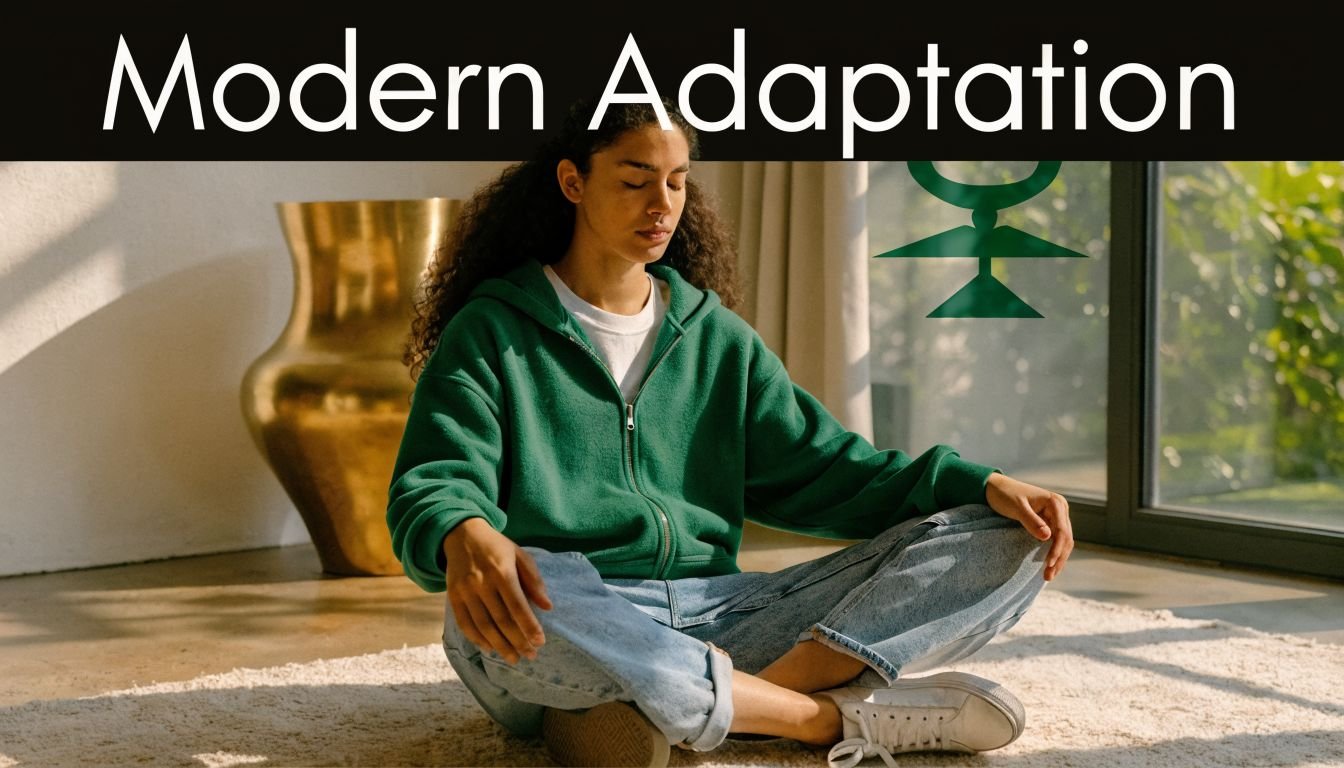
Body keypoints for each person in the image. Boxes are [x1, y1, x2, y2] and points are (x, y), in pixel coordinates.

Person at [386, 97, 1074, 768]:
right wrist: (462, 531)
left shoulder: (714, 338)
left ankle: (673, 707)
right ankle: (810, 718)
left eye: (677, 181)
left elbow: (832, 467)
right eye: (634, 181)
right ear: (573, 182)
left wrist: (979, 483)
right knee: (523, 587)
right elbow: (436, 479)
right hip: (573, 615)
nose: (662, 204)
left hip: (726, 616)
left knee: (1011, 537)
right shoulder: (494, 332)